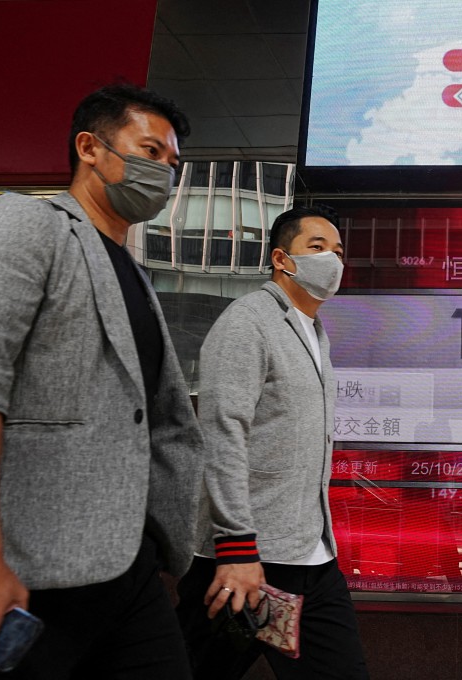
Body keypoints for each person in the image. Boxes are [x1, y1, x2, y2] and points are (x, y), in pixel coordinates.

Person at [0, 83, 203, 678]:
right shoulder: (24, 223)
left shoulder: (133, 274)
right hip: (29, 569)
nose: (163, 172)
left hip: (128, 566)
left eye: (172, 163)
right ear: (90, 147)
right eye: (149, 151)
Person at [177, 205, 369, 679]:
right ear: (283, 259)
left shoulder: (315, 332)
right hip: (245, 561)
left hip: (311, 556)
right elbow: (223, 432)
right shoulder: (248, 322)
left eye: (339, 252)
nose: (333, 261)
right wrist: (237, 548)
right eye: (317, 248)